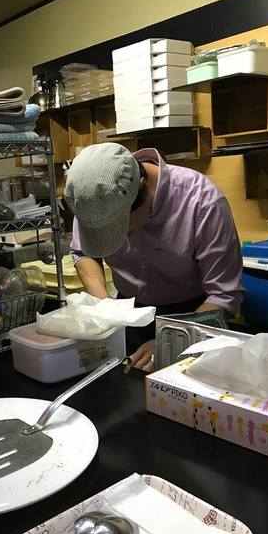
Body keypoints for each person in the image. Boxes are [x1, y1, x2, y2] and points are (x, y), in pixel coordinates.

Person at [65, 142, 244, 372]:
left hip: (192, 315)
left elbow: (223, 294)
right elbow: (83, 253)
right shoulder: (92, 197)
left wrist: (172, 339)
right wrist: (107, 309)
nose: (121, 239)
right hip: (127, 314)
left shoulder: (203, 202)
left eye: (120, 230)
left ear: (142, 187)